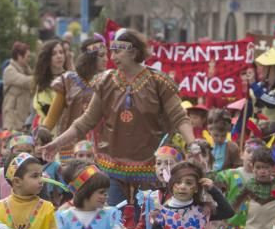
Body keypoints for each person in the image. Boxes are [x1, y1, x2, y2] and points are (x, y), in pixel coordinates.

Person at [39, 28, 195, 209]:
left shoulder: (158, 82)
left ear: (134, 52)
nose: (112, 57)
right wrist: (56, 143)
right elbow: (85, 121)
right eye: (111, 52)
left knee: (148, 224)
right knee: (114, 221)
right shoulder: (105, 81)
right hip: (111, 168)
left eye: (118, 51)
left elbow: (179, 117)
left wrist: (193, 144)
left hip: (151, 170)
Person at [40, 34, 107, 158]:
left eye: (106, 55)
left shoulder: (108, 82)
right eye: (101, 56)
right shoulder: (68, 81)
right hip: (70, 148)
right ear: (90, 58)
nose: (106, 59)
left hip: (100, 150)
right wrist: (41, 135)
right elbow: (52, 117)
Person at [30, 40, 68, 128]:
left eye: (61, 52)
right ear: (47, 58)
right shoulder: (43, 84)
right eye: (54, 54)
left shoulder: (72, 78)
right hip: (49, 131)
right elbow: (47, 112)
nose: (59, 56)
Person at [1, 42, 34, 131]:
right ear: (19, 56)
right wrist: (40, 76)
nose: (29, 59)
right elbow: (26, 81)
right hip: (12, 118)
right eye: (28, 56)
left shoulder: (26, 69)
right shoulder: (9, 70)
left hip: (24, 117)